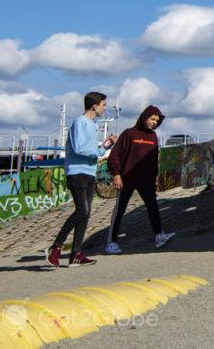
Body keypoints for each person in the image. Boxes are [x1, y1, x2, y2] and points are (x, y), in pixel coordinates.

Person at [46, 92, 117, 268]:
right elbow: (78, 148)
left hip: (89, 173)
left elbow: (93, 150)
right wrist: (98, 151)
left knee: (85, 213)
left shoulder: (94, 125)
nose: (105, 107)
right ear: (94, 105)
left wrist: (106, 146)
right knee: (81, 210)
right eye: (103, 104)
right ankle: (55, 247)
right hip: (76, 172)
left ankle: (76, 254)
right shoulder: (80, 122)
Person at [104, 105, 176, 254]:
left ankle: (159, 236)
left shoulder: (153, 137)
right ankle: (111, 242)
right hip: (126, 179)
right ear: (144, 117)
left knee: (153, 208)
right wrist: (116, 174)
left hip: (146, 180)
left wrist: (156, 177)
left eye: (157, 120)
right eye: (152, 119)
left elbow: (154, 159)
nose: (154, 122)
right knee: (119, 210)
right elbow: (114, 156)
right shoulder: (129, 134)